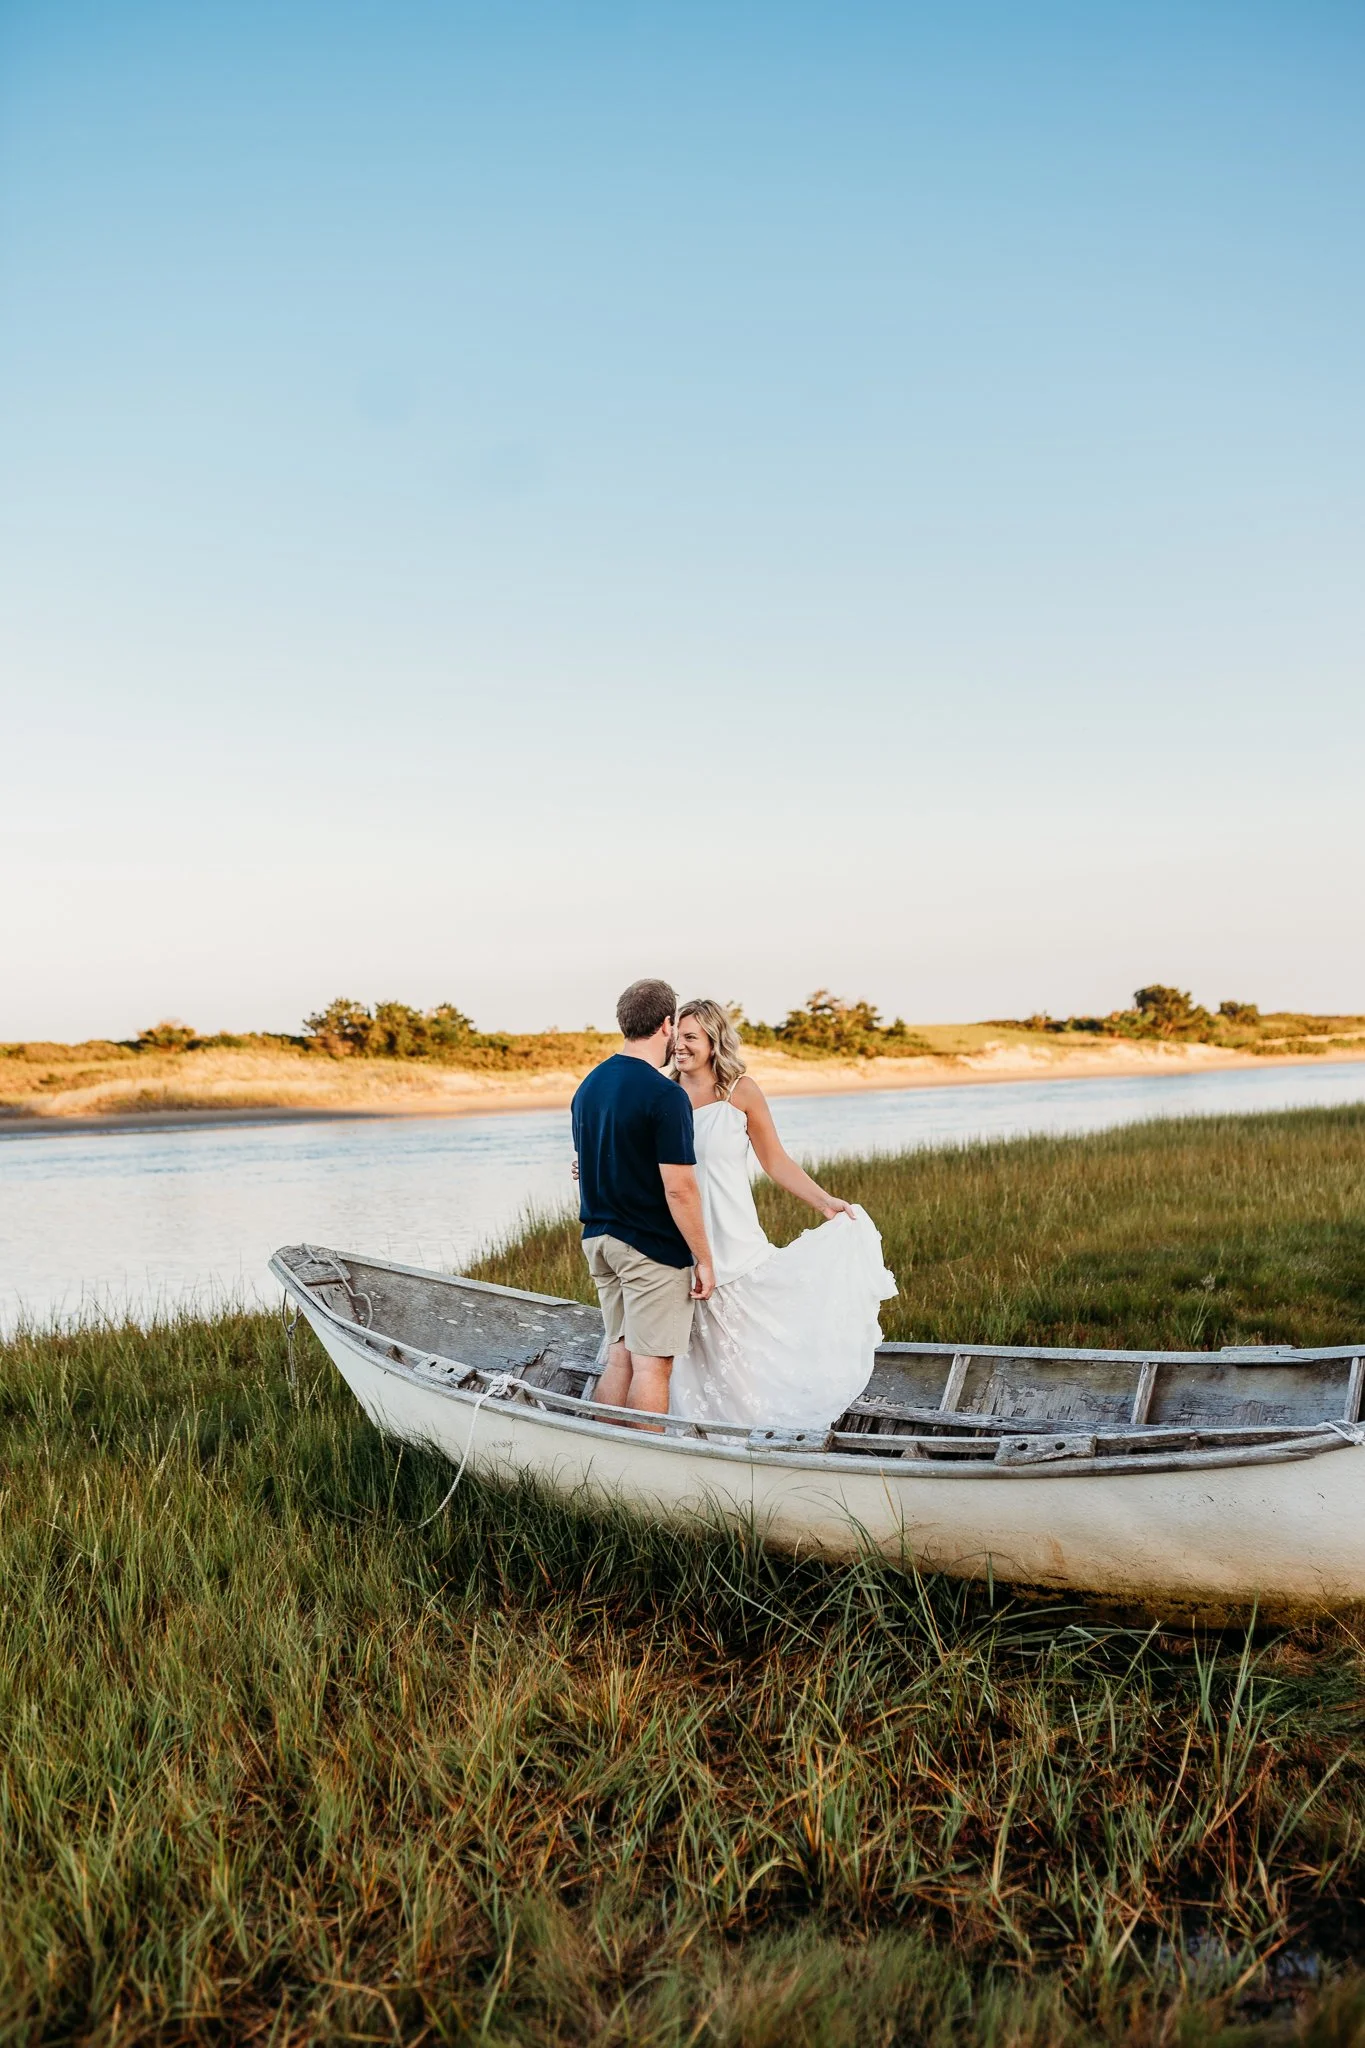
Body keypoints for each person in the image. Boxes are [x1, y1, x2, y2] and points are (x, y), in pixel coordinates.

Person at [666, 998, 897, 1431]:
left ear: (714, 1041)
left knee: (745, 1362)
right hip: (678, 1246)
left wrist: (826, 1202)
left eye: (691, 1037)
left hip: (736, 1245)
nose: (680, 1045)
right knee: (687, 1361)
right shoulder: (663, 1094)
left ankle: (758, 1437)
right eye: (676, 1036)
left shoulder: (741, 1091)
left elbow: (776, 1161)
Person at [571, 978, 715, 1425]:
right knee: (653, 1366)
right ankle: (640, 1466)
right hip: (648, 1250)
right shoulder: (665, 1095)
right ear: (668, 1025)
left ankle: (601, 1464)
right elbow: (679, 1188)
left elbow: (591, 1163)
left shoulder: (589, 1086)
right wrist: (704, 1259)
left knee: (620, 1361)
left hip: (598, 1240)